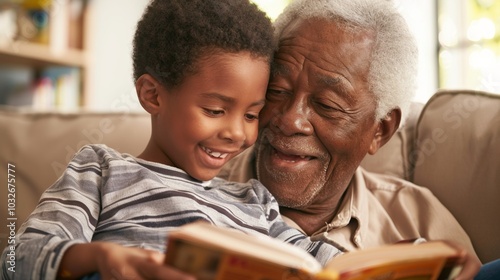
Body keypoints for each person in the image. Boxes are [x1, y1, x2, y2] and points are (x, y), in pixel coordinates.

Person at [0, 0, 342, 279]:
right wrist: (101, 256)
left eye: (252, 115)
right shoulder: (101, 171)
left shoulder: (254, 201)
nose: (238, 133)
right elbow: (17, 260)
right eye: (214, 110)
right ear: (153, 95)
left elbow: (317, 260)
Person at [218, 0, 486, 278]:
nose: (290, 120)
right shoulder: (191, 191)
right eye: (276, 90)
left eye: (326, 104)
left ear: (380, 130)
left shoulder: (417, 219)